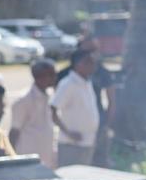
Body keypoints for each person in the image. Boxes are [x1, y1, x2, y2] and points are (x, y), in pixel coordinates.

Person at [57, 37, 116, 167]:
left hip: (98, 127)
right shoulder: (67, 76)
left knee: (97, 163)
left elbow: (112, 99)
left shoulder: (99, 72)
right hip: (73, 134)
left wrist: (107, 124)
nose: (92, 54)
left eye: (94, 50)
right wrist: (66, 130)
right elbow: (54, 106)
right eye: (88, 50)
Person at [51, 48, 100, 167]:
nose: (93, 65)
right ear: (78, 64)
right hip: (70, 145)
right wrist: (68, 133)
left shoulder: (87, 82)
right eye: (88, 62)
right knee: (69, 179)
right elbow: (52, 110)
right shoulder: (68, 84)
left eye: (93, 61)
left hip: (87, 142)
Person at [10, 59, 58, 168]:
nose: (55, 78)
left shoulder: (50, 96)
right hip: (28, 159)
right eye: (51, 75)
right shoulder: (23, 101)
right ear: (40, 77)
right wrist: (11, 160)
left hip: (46, 156)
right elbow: (14, 132)